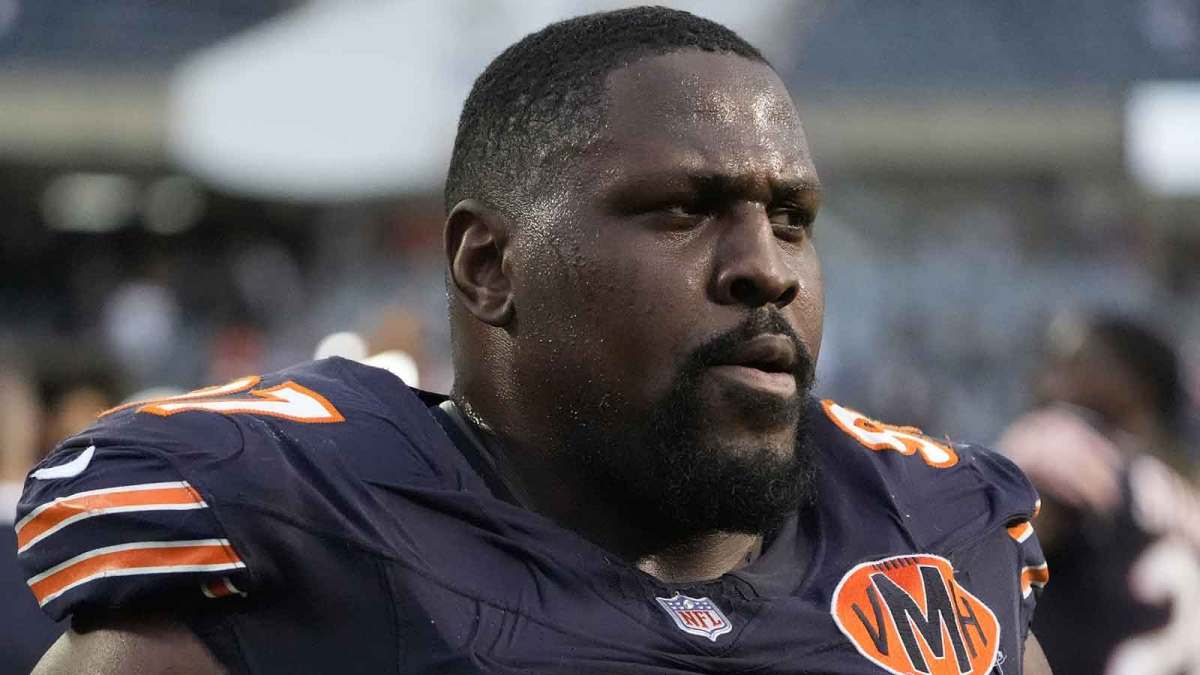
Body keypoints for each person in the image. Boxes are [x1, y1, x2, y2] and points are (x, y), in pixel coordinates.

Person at [21, 8, 1051, 673]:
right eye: (686, 211)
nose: (765, 266)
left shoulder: (933, 535)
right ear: (487, 266)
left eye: (792, 219)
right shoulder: (300, 533)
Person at [999, 313, 1200, 675]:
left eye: (1078, 359)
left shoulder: (1057, 446)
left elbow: (997, 549)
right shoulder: (1179, 485)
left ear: (1134, 382)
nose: (1055, 376)